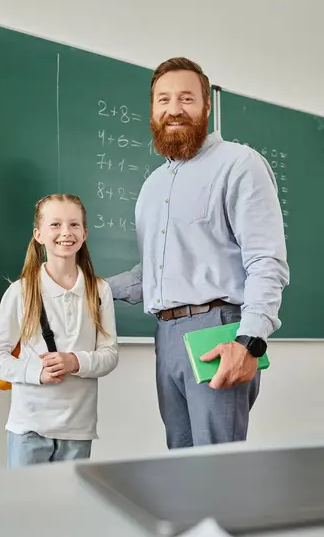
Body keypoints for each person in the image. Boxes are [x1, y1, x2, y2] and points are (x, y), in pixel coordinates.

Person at [107, 57, 289, 448]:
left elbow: (265, 260)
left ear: (206, 106)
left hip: (218, 331)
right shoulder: (153, 187)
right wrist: (90, 288)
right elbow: (153, 273)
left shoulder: (239, 164)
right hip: (165, 335)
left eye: (186, 98)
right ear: (153, 111)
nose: (174, 109)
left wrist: (250, 341)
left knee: (216, 469)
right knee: (180, 466)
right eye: (164, 100)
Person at [0, 194, 118, 467]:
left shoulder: (99, 290)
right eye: (55, 225)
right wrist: (37, 373)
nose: (66, 233)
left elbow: (110, 354)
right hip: (29, 427)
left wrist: (75, 361)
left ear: (84, 233)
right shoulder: (21, 291)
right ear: (39, 235)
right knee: (27, 509)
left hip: (78, 428)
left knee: (68, 509)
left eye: (74, 225)